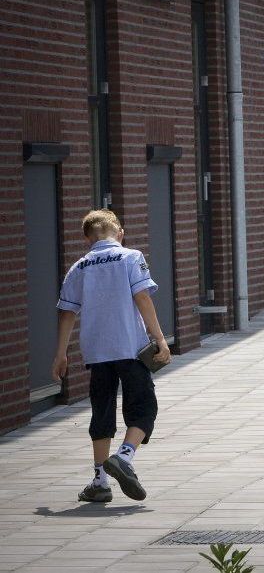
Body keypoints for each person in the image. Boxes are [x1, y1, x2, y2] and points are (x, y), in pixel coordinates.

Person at [51, 209, 171, 503]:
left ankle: (100, 481)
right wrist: (159, 338)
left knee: (101, 410)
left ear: (86, 238)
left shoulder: (79, 267)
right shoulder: (131, 257)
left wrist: (60, 355)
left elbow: (67, 313)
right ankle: (125, 457)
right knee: (143, 406)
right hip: (130, 347)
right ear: (120, 232)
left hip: (97, 350)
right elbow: (142, 297)